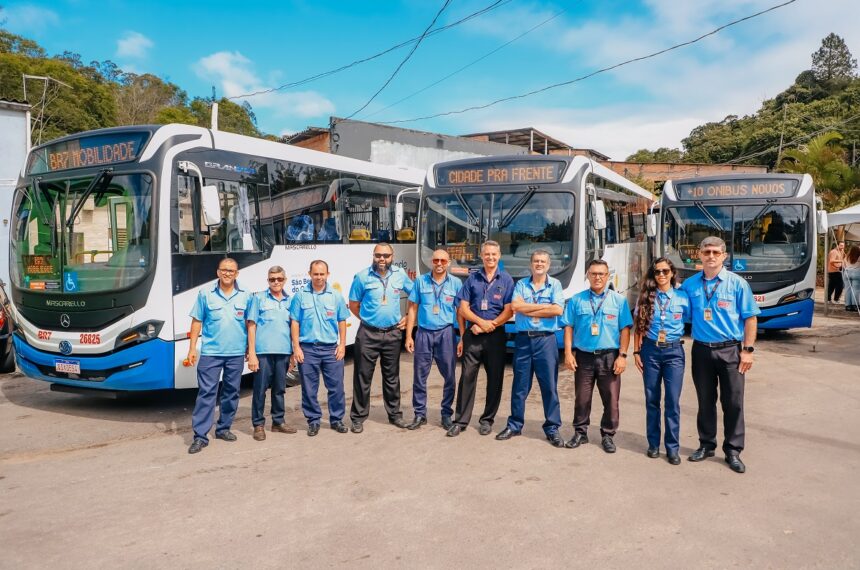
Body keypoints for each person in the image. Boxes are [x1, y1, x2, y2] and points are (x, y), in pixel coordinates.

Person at [682, 236, 760, 474]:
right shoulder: (690, 285)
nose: (711, 256)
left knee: (733, 402)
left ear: (724, 256)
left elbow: (750, 318)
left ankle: (733, 450)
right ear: (700, 255)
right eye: (706, 252)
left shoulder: (737, 284)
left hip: (730, 351)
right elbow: (679, 314)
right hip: (702, 350)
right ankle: (706, 445)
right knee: (705, 401)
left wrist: (747, 350)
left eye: (716, 252)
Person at [496, 250, 565, 447]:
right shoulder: (521, 285)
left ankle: (552, 427)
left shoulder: (556, 285)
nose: (539, 264)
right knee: (520, 386)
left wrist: (529, 307)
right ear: (531, 264)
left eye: (543, 261)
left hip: (546, 341)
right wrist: (544, 309)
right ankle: (515, 425)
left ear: (548, 265)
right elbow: (516, 307)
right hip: (524, 341)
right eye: (536, 261)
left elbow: (557, 310)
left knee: (549, 387)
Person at [562, 259, 633, 453]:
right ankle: (580, 433)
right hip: (583, 357)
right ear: (588, 276)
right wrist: (568, 353)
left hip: (609, 357)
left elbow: (625, 329)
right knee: (582, 398)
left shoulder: (618, 301)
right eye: (593, 274)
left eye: (601, 274)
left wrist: (623, 356)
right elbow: (568, 327)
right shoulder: (577, 300)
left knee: (611, 399)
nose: (597, 277)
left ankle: (608, 435)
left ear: (608, 276)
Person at [447, 240, 515, 437]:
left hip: (495, 335)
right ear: (482, 256)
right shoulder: (472, 279)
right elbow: (463, 308)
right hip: (473, 334)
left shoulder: (507, 280)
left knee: (495, 379)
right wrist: (478, 323)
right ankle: (460, 420)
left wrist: (490, 325)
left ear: (499, 256)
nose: (490, 258)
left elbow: (509, 310)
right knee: (467, 377)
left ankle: (487, 420)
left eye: (494, 254)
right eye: (487, 254)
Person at [348, 243, 414, 433]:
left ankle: (395, 415)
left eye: (386, 255)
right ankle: (358, 417)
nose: (382, 259)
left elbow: (415, 294)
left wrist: (409, 317)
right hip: (368, 334)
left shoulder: (400, 274)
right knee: (362, 377)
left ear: (392, 256)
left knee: (392, 377)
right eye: (378, 255)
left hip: (393, 334)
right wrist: (368, 320)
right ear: (373, 256)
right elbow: (353, 304)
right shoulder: (362, 277)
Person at [187, 258, 251, 454]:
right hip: (211, 354)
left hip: (236, 353)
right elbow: (197, 322)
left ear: (237, 274)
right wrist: (192, 348)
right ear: (218, 272)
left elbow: (250, 325)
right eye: (224, 270)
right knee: (207, 394)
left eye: (231, 270)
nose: (227, 273)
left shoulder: (246, 296)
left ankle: (224, 428)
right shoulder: (205, 294)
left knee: (231, 392)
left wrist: (251, 349)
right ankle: (200, 436)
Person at [632, 258, 690, 465]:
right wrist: (636, 352)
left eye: (665, 271)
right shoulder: (646, 297)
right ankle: (653, 444)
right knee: (652, 399)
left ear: (673, 273)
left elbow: (693, 320)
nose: (661, 275)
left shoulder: (683, 297)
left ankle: (672, 448)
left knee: (672, 401)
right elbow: (639, 327)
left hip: (674, 352)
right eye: (657, 272)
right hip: (651, 351)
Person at [290, 260, 350, 436]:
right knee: (309, 388)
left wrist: (342, 345)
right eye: (315, 274)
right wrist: (296, 348)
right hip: (308, 349)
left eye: (322, 274)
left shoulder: (335, 295)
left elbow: (342, 320)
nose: (318, 277)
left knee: (336, 387)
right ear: (309, 274)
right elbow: (295, 322)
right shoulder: (300, 296)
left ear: (327, 275)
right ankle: (313, 420)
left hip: (331, 349)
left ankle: (336, 419)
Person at [404, 249, 463, 430]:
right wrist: (409, 336)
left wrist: (462, 337)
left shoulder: (456, 283)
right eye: (436, 260)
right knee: (420, 376)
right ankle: (419, 414)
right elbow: (412, 309)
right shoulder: (421, 281)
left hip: (446, 333)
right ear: (431, 261)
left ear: (449, 263)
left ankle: (446, 413)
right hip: (423, 334)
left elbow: (460, 312)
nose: (439, 264)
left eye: (443, 261)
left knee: (450, 376)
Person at [246, 265, 297, 441]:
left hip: (283, 352)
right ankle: (258, 425)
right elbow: (251, 326)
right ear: (268, 280)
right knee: (260, 389)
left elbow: (293, 328)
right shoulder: (258, 298)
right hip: (263, 353)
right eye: (272, 279)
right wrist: (251, 352)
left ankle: (278, 422)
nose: (276, 282)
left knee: (279, 389)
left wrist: (292, 353)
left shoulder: (291, 301)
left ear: (285, 280)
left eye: (279, 279)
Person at [843, 245, 860, 312]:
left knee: (847, 289)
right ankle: (855, 305)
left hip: (847, 272)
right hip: (856, 272)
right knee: (856, 290)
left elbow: (843, 265)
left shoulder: (847, 256)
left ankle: (848, 306)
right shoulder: (858, 257)